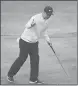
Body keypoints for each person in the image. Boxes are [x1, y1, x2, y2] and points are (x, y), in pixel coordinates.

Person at [7, 6, 54, 84]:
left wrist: (48, 40)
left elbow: (44, 32)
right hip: (25, 41)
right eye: (48, 14)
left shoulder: (46, 21)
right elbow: (27, 25)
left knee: (35, 60)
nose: (49, 16)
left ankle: (33, 79)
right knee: (22, 58)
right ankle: (10, 75)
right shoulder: (35, 18)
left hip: (34, 43)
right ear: (44, 12)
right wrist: (30, 25)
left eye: (50, 14)